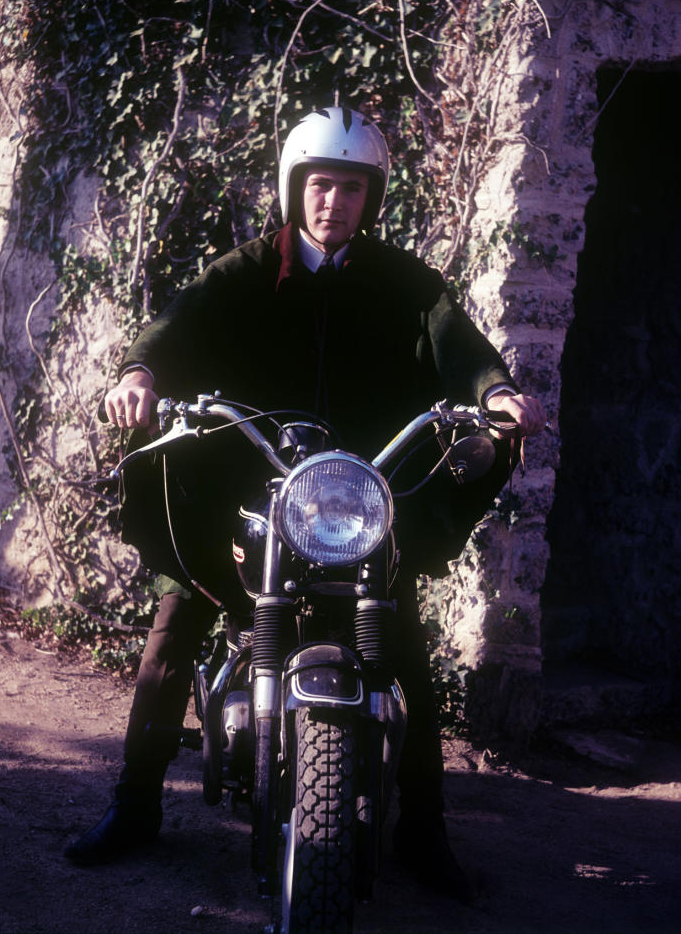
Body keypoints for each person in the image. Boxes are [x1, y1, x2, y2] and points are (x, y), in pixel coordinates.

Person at [65, 106, 545, 901]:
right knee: (176, 621)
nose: (334, 202)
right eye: (321, 184)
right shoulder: (245, 271)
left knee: (407, 654)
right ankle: (135, 803)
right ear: (295, 188)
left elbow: (458, 344)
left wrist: (497, 394)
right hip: (246, 488)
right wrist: (140, 375)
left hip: (355, 497)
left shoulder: (404, 283)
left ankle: (423, 833)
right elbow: (176, 323)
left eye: (351, 188)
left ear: (371, 197)